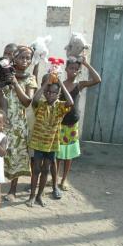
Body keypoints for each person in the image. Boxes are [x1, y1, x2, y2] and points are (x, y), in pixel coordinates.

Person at [0, 46, 38, 201]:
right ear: (14, 58)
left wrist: (14, 82)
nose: (25, 61)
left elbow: (27, 101)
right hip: (2, 122)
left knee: (16, 156)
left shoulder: (30, 78)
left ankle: (12, 190)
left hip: (18, 125)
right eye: (22, 57)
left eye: (28, 58)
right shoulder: (4, 72)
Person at [27, 74, 74, 207]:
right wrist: (45, 83)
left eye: (54, 92)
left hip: (51, 144)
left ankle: (39, 196)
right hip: (38, 143)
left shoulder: (60, 107)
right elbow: (34, 100)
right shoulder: (40, 105)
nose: (50, 94)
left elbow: (71, 102)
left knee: (45, 170)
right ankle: (31, 196)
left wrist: (61, 83)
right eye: (48, 92)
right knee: (36, 169)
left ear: (58, 94)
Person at [56, 55, 101, 191]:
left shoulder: (79, 85)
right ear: (66, 69)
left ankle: (63, 180)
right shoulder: (59, 84)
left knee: (68, 155)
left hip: (72, 125)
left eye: (76, 69)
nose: (74, 71)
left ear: (79, 71)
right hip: (60, 124)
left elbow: (97, 80)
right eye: (71, 68)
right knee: (58, 154)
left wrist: (86, 64)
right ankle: (55, 179)